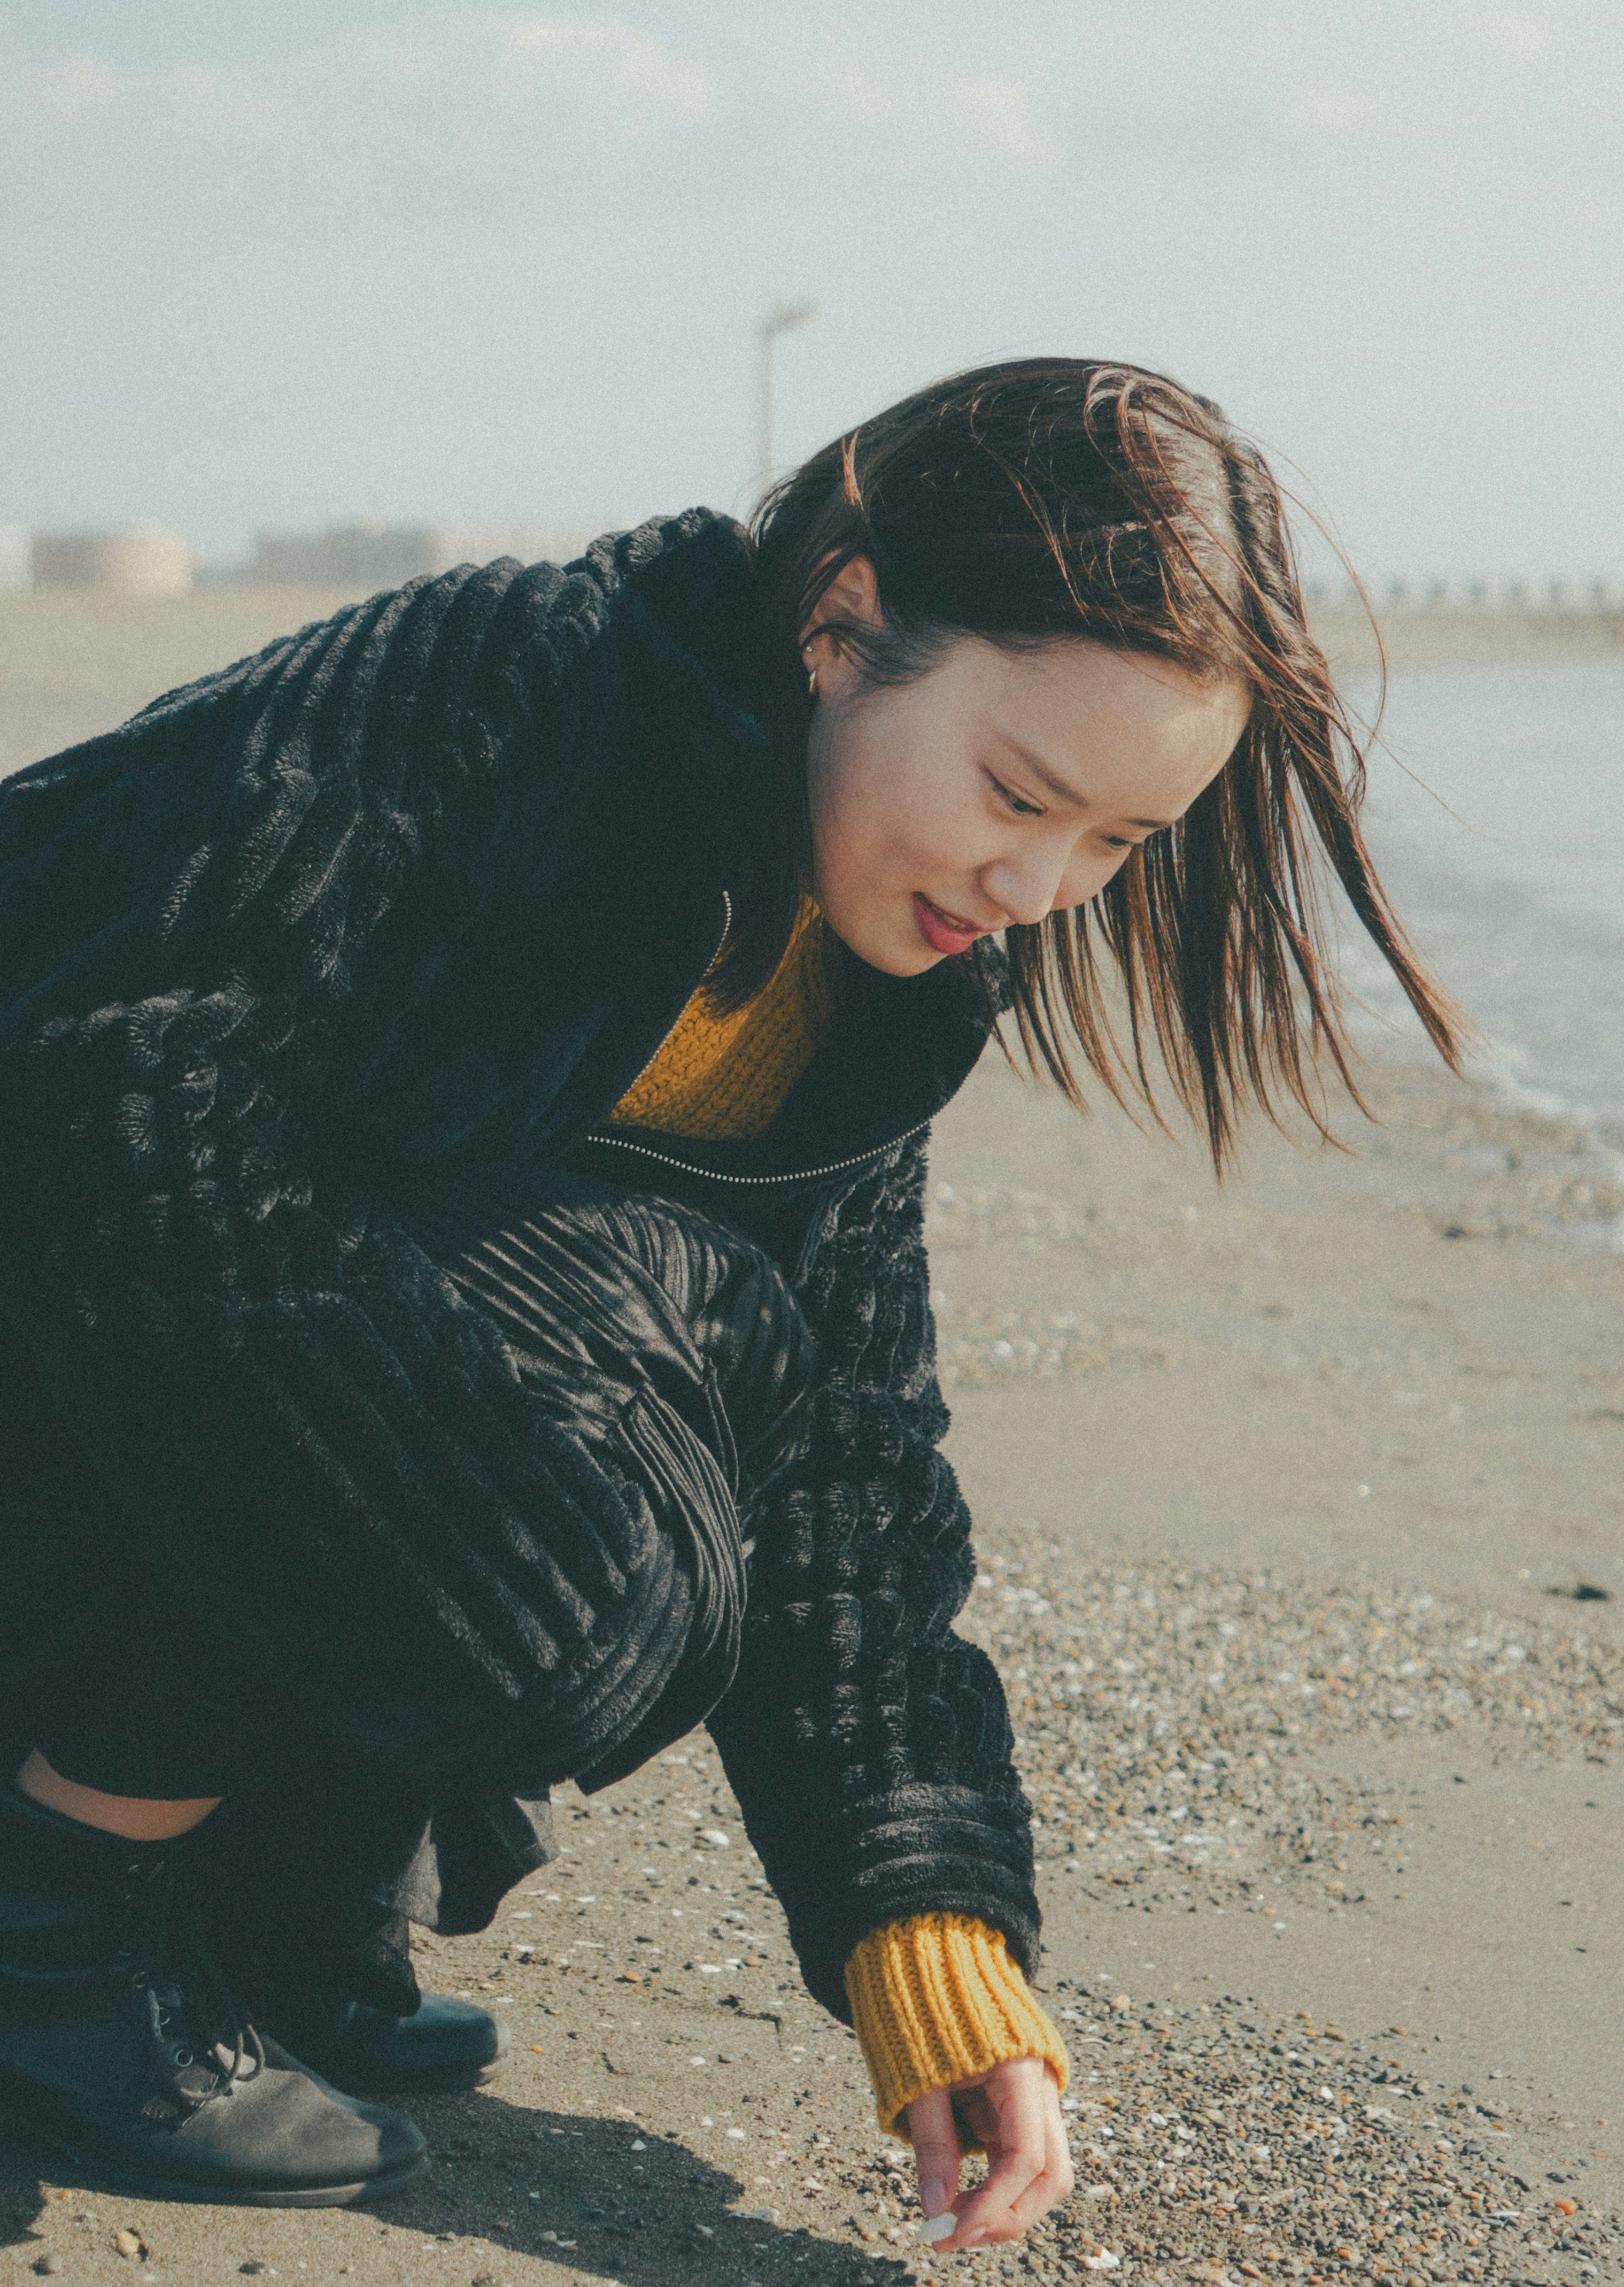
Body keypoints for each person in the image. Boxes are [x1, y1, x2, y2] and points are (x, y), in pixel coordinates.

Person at [0, 358, 1458, 2234]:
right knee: (587, 1503)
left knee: (658, 1395)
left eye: (1116, 844)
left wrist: (928, 1942)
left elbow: (848, 1446)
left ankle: (258, 1889)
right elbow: (125, 1118)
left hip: (125, 1423)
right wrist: (490, 1566)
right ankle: (55, 1915)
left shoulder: (884, 981)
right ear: (843, 628)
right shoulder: (521, 691)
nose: (1036, 885)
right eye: (1020, 792)